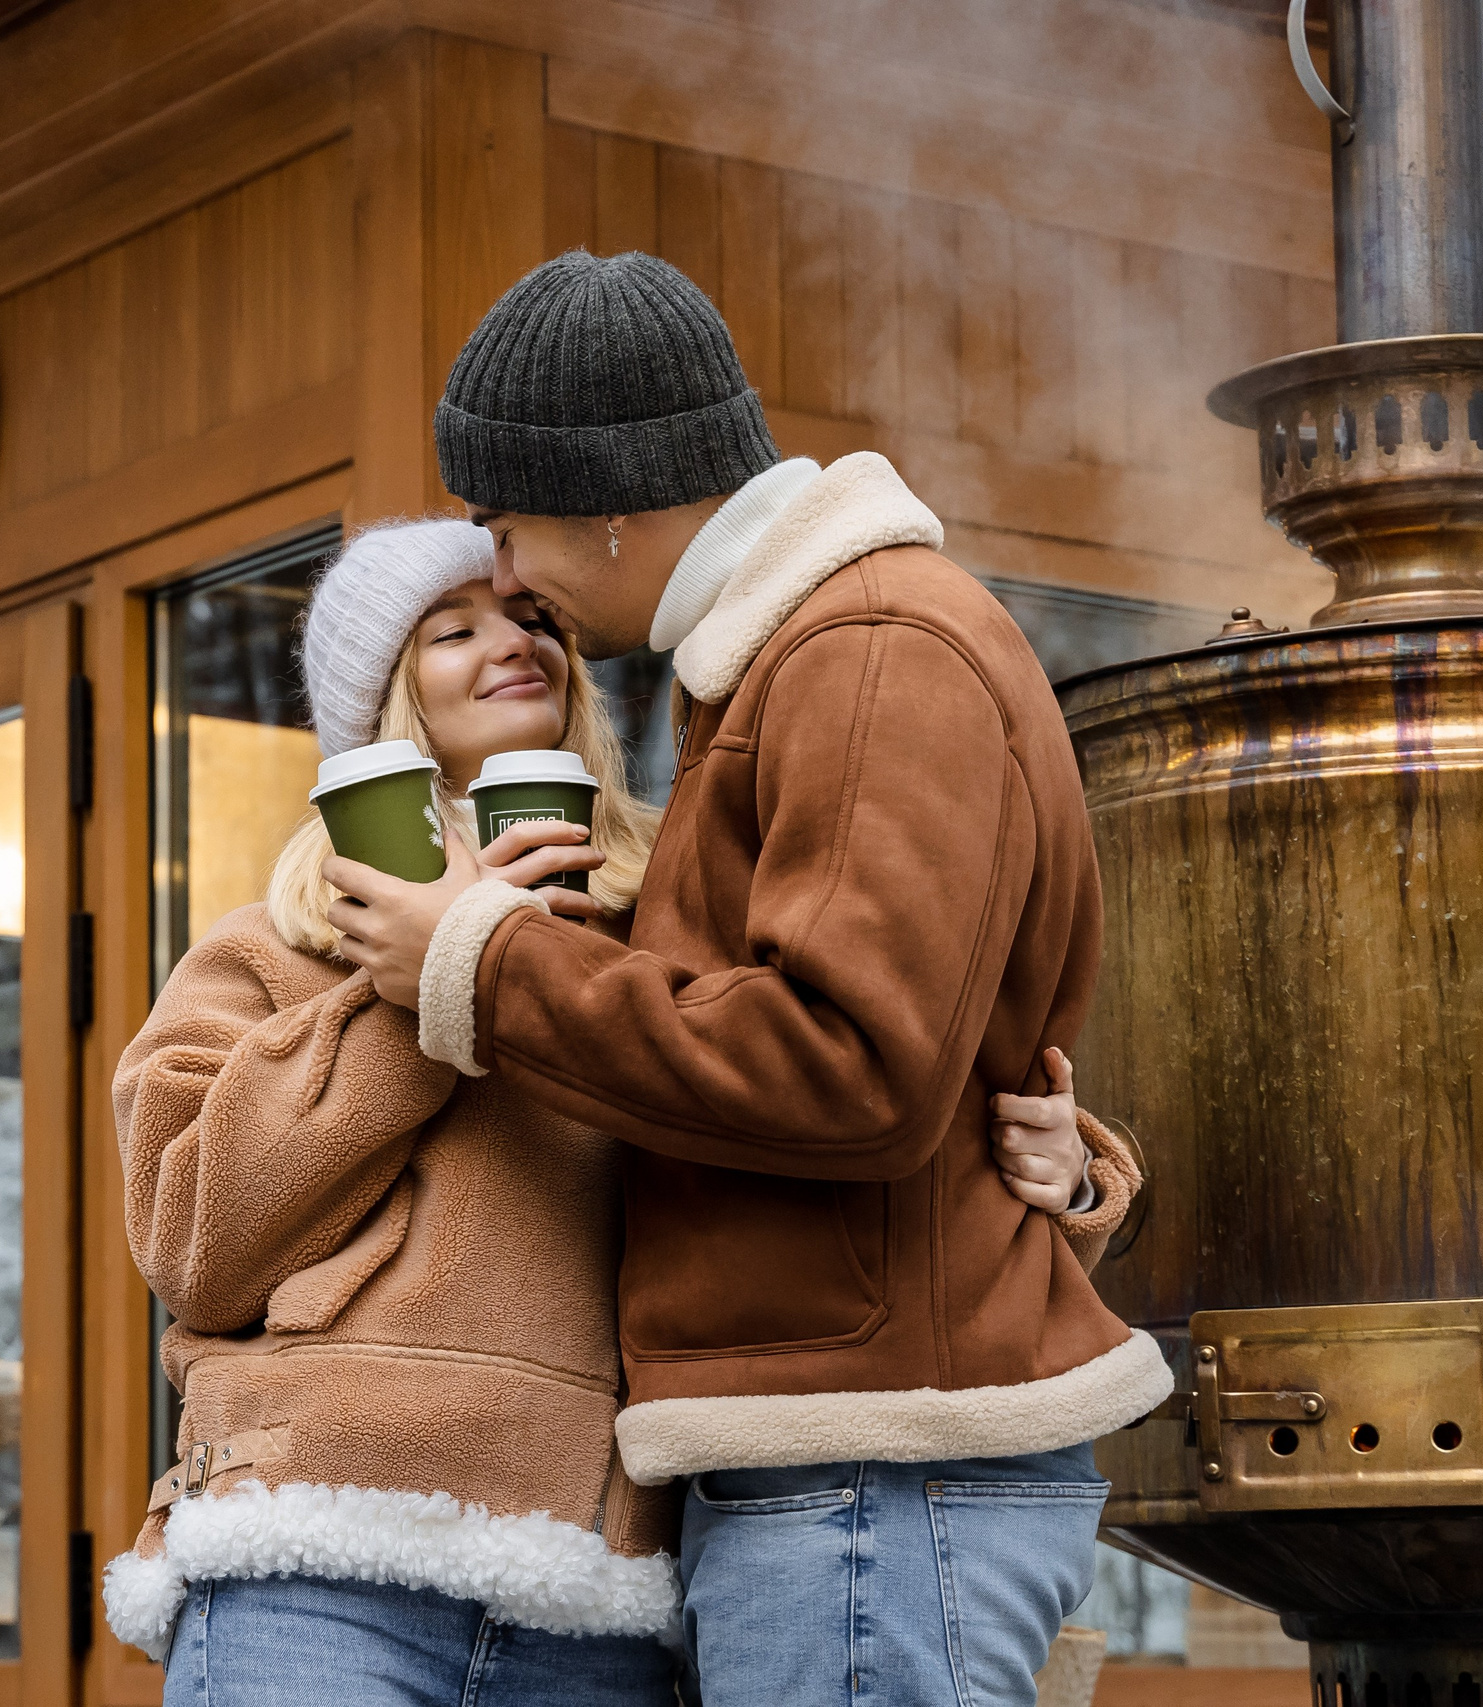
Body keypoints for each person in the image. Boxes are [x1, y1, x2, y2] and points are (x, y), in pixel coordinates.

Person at [322, 251, 1174, 1705]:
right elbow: (901, 1043)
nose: (507, 577)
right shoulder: (803, 656)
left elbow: (848, 1063)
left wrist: (480, 956)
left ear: (603, 499)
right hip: (851, 1465)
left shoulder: (869, 650)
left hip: (870, 1474)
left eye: (504, 525)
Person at [104, 515, 1138, 1706]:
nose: (514, 642)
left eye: (531, 618)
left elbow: (836, 1103)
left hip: (599, 1594)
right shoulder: (269, 951)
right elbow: (193, 1245)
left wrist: (1062, 1171)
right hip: (314, 1558)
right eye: (453, 631)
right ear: (382, 703)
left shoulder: (676, 926)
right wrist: (423, 987)